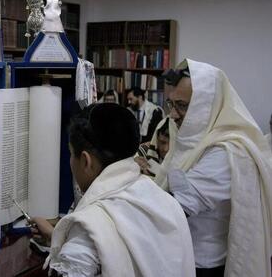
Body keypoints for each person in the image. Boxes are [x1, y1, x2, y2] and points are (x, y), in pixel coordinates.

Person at [32, 103, 195, 277]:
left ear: (86, 161)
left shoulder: (89, 227)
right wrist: (56, 235)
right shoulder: (167, 202)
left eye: (72, 154)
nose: (71, 161)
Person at [155, 59, 272, 277]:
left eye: (182, 105)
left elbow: (176, 207)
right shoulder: (191, 140)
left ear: (206, 105)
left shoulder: (227, 152)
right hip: (180, 257)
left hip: (203, 266)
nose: (173, 114)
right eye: (172, 104)